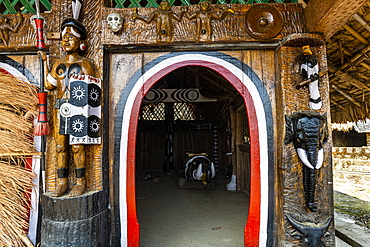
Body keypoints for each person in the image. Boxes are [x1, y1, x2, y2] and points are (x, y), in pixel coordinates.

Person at [40, 18, 96, 197]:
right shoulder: (58, 64)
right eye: (64, 37)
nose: (67, 40)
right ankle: (62, 182)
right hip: (60, 108)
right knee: (60, 146)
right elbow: (49, 86)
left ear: (81, 42)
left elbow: (91, 91)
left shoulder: (85, 65)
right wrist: (44, 62)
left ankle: (81, 182)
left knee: (77, 146)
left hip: (78, 109)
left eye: (71, 37)